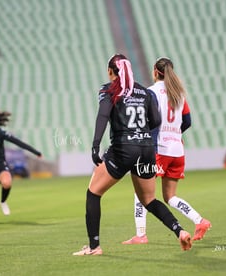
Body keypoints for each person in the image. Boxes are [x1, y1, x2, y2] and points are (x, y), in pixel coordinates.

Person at [73, 54, 192, 256]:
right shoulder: (145, 92)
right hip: (146, 150)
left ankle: (94, 247)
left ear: (111, 71)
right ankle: (179, 230)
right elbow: (155, 120)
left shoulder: (109, 89)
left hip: (122, 149)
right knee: (149, 200)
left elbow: (103, 115)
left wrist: (95, 146)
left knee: (93, 193)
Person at [122, 57, 211, 245]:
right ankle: (199, 221)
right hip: (177, 150)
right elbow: (187, 122)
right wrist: (175, 134)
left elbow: (147, 120)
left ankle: (141, 234)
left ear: (155, 71)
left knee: (142, 193)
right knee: (170, 197)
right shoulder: (179, 93)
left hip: (158, 149)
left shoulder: (150, 92)